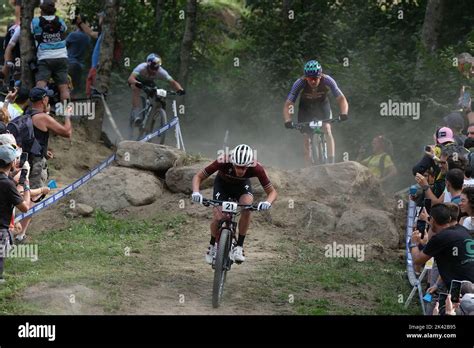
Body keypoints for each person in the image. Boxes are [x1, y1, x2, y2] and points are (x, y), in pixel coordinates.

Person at [191, 144, 277, 264]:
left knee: (247, 208)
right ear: (232, 162)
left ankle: (239, 247)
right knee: (219, 216)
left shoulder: (257, 168)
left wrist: (267, 202)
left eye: (244, 168)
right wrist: (196, 192)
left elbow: (272, 192)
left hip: (242, 187)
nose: (241, 170)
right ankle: (212, 245)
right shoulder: (223, 161)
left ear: (249, 164)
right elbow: (198, 176)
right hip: (222, 185)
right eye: (238, 167)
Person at [283, 60, 349, 165]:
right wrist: (288, 119)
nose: (312, 81)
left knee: (327, 128)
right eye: (310, 79)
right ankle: (308, 167)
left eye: (315, 78)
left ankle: (331, 163)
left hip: (322, 106)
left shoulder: (328, 80)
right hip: (305, 109)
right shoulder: (299, 83)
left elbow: (341, 98)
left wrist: (344, 113)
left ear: (320, 76)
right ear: (306, 77)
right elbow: (289, 104)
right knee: (306, 137)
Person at [411, 203, 474, 287]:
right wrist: (437, 285)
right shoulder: (464, 230)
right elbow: (455, 261)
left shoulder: (441, 237)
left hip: (462, 289)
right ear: (450, 218)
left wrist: (413, 243)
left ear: (432, 220)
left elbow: (417, 260)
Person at [0, 143, 30, 282]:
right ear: (12, 162)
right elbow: (25, 208)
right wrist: (26, 186)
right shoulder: (7, 184)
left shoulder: (7, 182)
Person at [128, 53, 185, 126]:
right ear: (148, 65)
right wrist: (137, 83)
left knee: (159, 95)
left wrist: (180, 89)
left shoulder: (161, 71)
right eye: (152, 67)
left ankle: (156, 116)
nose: (154, 71)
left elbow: (173, 82)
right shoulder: (141, 67)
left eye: (157, 68)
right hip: (136, 80)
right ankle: (136, 115)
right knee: (136, 89)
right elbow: (130, 79)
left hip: (148, 82)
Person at [31, 0, 70, 103]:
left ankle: (39, 113)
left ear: (41, 10)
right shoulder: (60, 20)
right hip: (61, 56)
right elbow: (64, 30)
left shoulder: (35, 21)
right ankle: (66, 115)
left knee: (40, 87)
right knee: (64, 88)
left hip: (45, 58)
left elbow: (32, 33)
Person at [66, 16, 92, 98]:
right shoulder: (87, 38)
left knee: (66, 88)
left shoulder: (73, 35)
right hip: (80, 66)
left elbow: (63, 47)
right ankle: (73, 108)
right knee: (75, 90)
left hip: (70, 63)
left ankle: (65, 108)